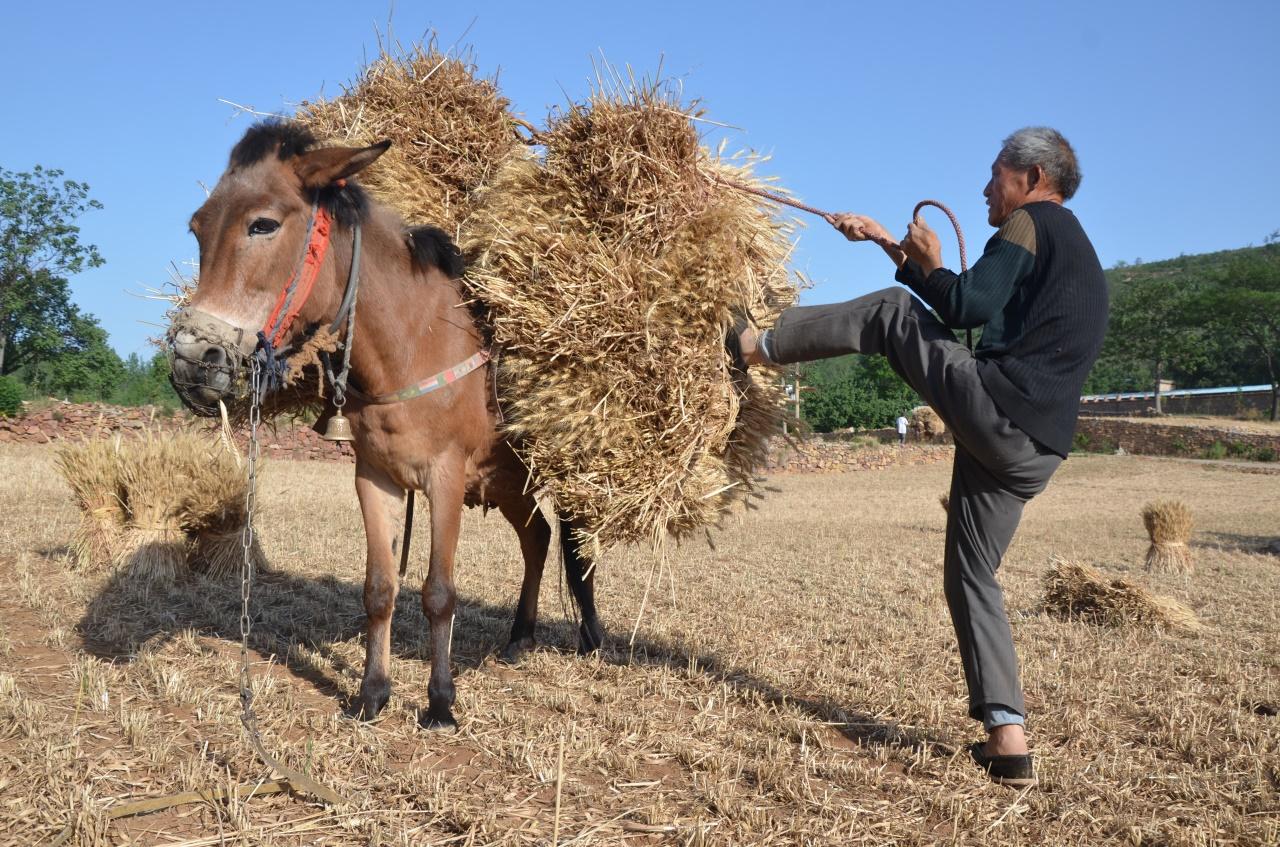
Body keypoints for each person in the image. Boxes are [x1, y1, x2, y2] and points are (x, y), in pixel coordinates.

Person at [739, 127, 1108, 786]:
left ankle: (756, 342)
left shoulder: (1031, 222)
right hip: (1036, 447)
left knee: (888, 312)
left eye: (995, 174)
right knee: (971, 575)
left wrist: (918, 263)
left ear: (1031, 178)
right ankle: (1008, 741)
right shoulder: (1072, 246)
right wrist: (893, 244)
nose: (986, 188)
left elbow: (964, 303)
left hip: (1001, 408)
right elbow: (966, 310)